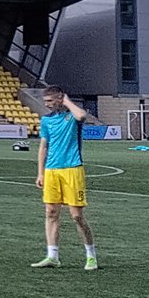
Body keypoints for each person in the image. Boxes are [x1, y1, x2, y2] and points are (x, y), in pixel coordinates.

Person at [33, 86, 98, 270]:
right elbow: (43, 147)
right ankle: (52, 256)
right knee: (51, 212)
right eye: (45, 102)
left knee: (77, 216)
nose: (47, 105)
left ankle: (91, 255)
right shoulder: (46, 120)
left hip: (72, 169)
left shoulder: (72, 116)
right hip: (52, 170)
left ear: (60, 99)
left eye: (50, 101)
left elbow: (82, 116)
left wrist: (68, 101)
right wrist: (41, 172)